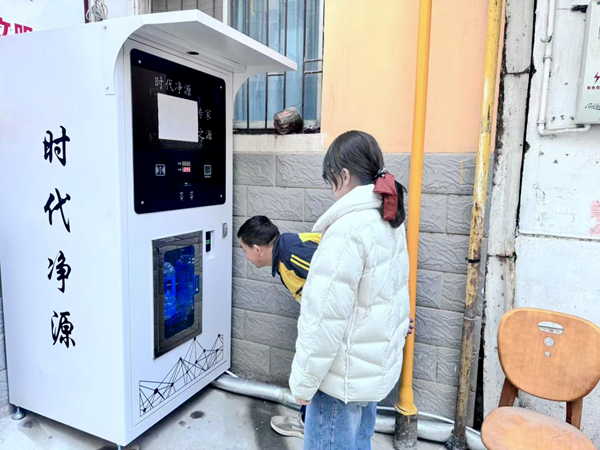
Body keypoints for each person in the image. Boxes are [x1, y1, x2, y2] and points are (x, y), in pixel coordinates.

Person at [289, 130, 411, 450]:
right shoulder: (389, 218)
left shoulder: (347, 230)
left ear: (343, 175)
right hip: (369, 376)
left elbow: (324, 319)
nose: (332, 190)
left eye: (330, 179)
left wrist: (304, 383)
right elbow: (395, 290)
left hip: (339, 382)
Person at [237, 216, 320, 438]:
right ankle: (307, 421)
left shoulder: (292, 254)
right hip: (325, 325)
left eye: (244, 250)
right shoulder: (285, 252)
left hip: (337, 328)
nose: (245, 256)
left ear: (257, 249)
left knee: (315, 371)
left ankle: (310, 427)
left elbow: (338, 280)